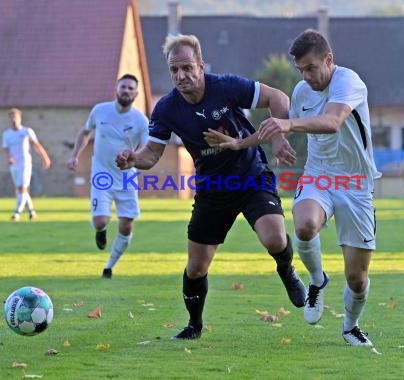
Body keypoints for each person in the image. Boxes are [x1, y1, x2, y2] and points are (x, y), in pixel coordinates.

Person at [115, 34, 306, 340]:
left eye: (188, 68)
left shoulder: (226, 86)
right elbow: (151, 155)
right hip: (212, 187)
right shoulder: (166, 108)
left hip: (251, 175)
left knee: (274, 238)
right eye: (175, 70)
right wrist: (131, 159)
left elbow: (278, 98)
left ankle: (286, 269)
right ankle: (195, 325)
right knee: (196, 267)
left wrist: (279, 135)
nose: (181, 76)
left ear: (201, 66)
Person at [208, 29, 382, 346]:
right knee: (304, 226)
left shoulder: (348, 82)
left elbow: (332, 122)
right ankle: (317, 281)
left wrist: (288, 125)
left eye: (311, 68)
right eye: (300, 69)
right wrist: (239, 143)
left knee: (357, 278)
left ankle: (350, 326)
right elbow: (276, 127)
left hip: (356, 183)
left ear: (329, 60)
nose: (306, 76)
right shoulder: (302, 90)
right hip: (318, 175)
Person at [67, 74, 149, 279]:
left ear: (136, 94)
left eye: (131, 88)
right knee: (100, 221)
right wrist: (75, 155)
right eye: (124, 87)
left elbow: (147, 149)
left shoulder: (141, 120)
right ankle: (101, 231)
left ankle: (110, 266)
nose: (127, 91)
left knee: (127, 223)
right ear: (116, 89)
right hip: (101, 175)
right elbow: (86, 132)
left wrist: (132, 156)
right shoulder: (100, 110)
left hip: (127, 177)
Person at [2, 108, 51, 221]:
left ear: (20, 118)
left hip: (25, 163)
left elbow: (37, 145)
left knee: (22, 188)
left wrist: (45, 158)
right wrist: (9, 158)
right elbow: (5, 149)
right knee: (21, 189)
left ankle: (16, 213)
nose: (14, 119)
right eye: (12, 117)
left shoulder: (27, 131)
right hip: (14, 165)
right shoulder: (6, 134)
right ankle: (32, 211)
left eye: (16, 117)